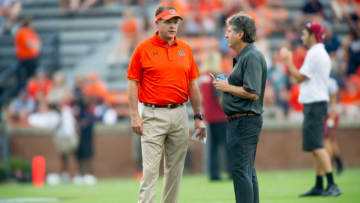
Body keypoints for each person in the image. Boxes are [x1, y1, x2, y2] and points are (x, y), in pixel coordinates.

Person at [127, 6, 206, 203]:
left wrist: (198, 117)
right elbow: (132, 83)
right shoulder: (143, 48)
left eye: (175, 22)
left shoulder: (185, 49)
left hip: (180, 114)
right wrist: (134, 116)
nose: (172, 26)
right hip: (152, 114)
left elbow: (193, 85)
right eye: (168, 22)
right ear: (157, 23)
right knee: (150, 170)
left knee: (175, 171)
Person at [280, 22, 342, 197]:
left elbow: (299, 77)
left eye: (305, 34)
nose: (302, 37)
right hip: (316, 102)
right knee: (316, 145)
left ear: (313, 35)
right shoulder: (319, 53)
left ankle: (332, 184)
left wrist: (287, 61)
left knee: (317, 145)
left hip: (315, 103)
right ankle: (319, 184)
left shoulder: (315, 53)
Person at [213, 13, 267, 203]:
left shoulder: (251, 56)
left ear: (241, 34)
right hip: (242, 120)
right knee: (247, 170)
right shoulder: (246, 56)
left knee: (240, 171)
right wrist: (226, 85)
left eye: (229, 31)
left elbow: (252, 92)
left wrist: (226, 87)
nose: (226, 35)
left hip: (244, 121)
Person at [198, 49, 230, 181]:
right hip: (221, 116)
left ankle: (214, 174)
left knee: (213, 147)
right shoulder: (218, 76)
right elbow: (220, 98)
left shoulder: (202, 78)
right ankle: (232, 173)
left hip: (210, 117)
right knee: (227, 146)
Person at [323, 77, 344, 175]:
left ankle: (328, 168)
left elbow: (333, 104)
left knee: (326, 141)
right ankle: (339, 163)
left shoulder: (330, 83)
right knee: (331, 141)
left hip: (330, 115)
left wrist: (331, 120)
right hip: (323, 115)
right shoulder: (318, 81)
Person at [15, 17, 41, 88]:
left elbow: (38, 43)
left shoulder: (32, 32)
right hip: (26, 58)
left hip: (32, 57)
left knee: (33, 77)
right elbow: (29, 44)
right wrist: (35, 45)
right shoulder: (22, 32)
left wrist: (35, 45)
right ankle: (29, 92)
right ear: (28, 24)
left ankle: (31, 91)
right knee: (30, 78)